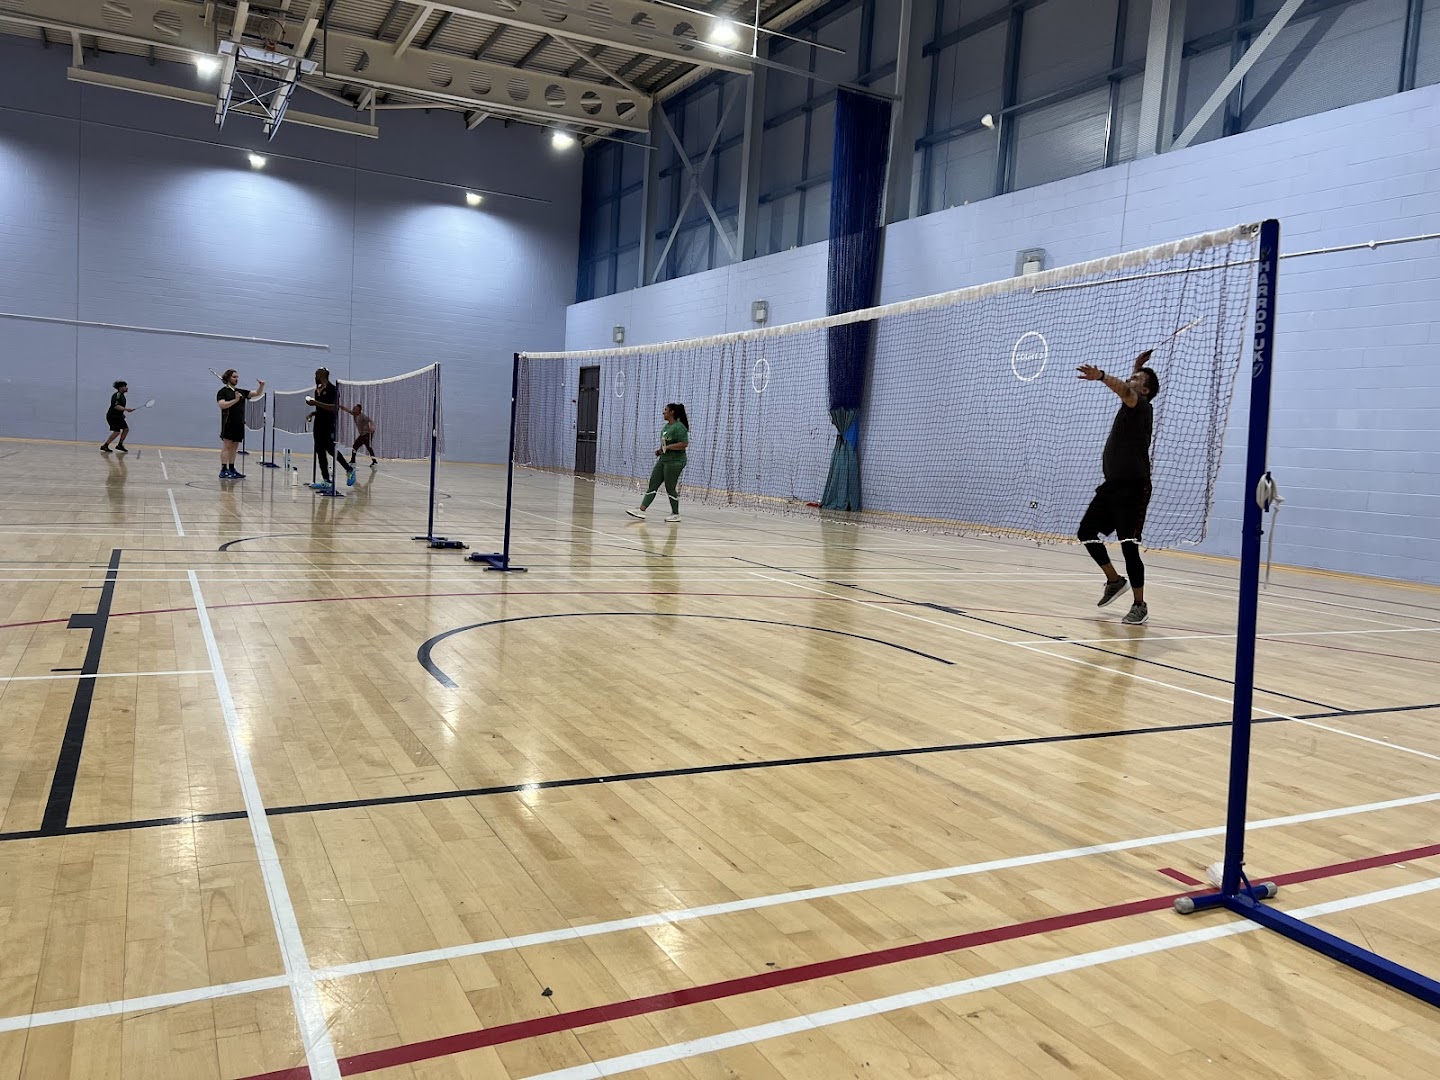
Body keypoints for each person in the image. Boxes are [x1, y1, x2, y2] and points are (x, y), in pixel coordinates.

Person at [1076, 350, 1159, 626]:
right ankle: (1114, 580)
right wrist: (1138, 365)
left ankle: (1140, 604)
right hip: (1112, 486)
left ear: (1144, 389)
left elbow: (1125, 388)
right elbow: (1128, 385)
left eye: (1136, 378)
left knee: (1129, 546)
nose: (1130, 379)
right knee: (1086, 532)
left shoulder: (1139, 403)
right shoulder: (1132, 401)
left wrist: (1100, 376)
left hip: (1134, 487)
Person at [626, 403, 689, 522]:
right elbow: (665, 444)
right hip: (664, 460)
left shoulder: (679, 427)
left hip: (675, 462)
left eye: (666, 410)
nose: (663, 412)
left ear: (672, 412)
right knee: (653, 483)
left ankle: (675, 514)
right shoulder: (666, 427)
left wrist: (669, 448)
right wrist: (660, 451)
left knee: (670, 487)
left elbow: (684, 444)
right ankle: (641, 510)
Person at [305, 367, 355, 490]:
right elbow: (322, 409)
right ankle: (326, 480)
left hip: (328, 425)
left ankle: (349, 469)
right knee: (320, 452)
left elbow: (334, 408)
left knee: (331, 450)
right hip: (318, 425)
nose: (315, 377)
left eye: (316, 375)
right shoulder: (317, 390)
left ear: (323, 375)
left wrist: (315, 403)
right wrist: (313, 413)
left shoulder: (333, 389)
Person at [217, 369, 264, 479]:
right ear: (228, 378)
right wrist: (235, 400)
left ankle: (232, 469)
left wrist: (261, 385)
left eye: (237, 377)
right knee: (227, 447)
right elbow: (222, 405)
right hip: (228, 422)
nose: (236, 379)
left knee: (234, 448)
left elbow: (257, 393)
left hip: (239, 423)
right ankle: (224, 470)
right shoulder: (223, 392)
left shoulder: (240, 391)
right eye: (234, 377)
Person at [101, 380, 136, 453]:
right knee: (117, 432)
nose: (127, 388)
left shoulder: (122, 396)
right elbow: (116, 406)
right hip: (113, 416)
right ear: (120, 388)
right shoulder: (117, 395)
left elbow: (120, 408)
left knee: (126, 429)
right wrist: (127, 409)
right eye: (125, 386)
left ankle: (119, 445)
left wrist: (122, 414)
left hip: (118, 416)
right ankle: (105, 445)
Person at [349, 402, 378, 467]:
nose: (353, 408)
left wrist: (372, 427)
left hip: (367, 434)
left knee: (367, 448)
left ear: (358, 410)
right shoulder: (354, 415)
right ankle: (353, 461)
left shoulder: (362, 416)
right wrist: (339, 406)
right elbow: (347, 410)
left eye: (355, 408)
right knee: (356, 446)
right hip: (362, 435)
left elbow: (371, 421)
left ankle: (374, 462)